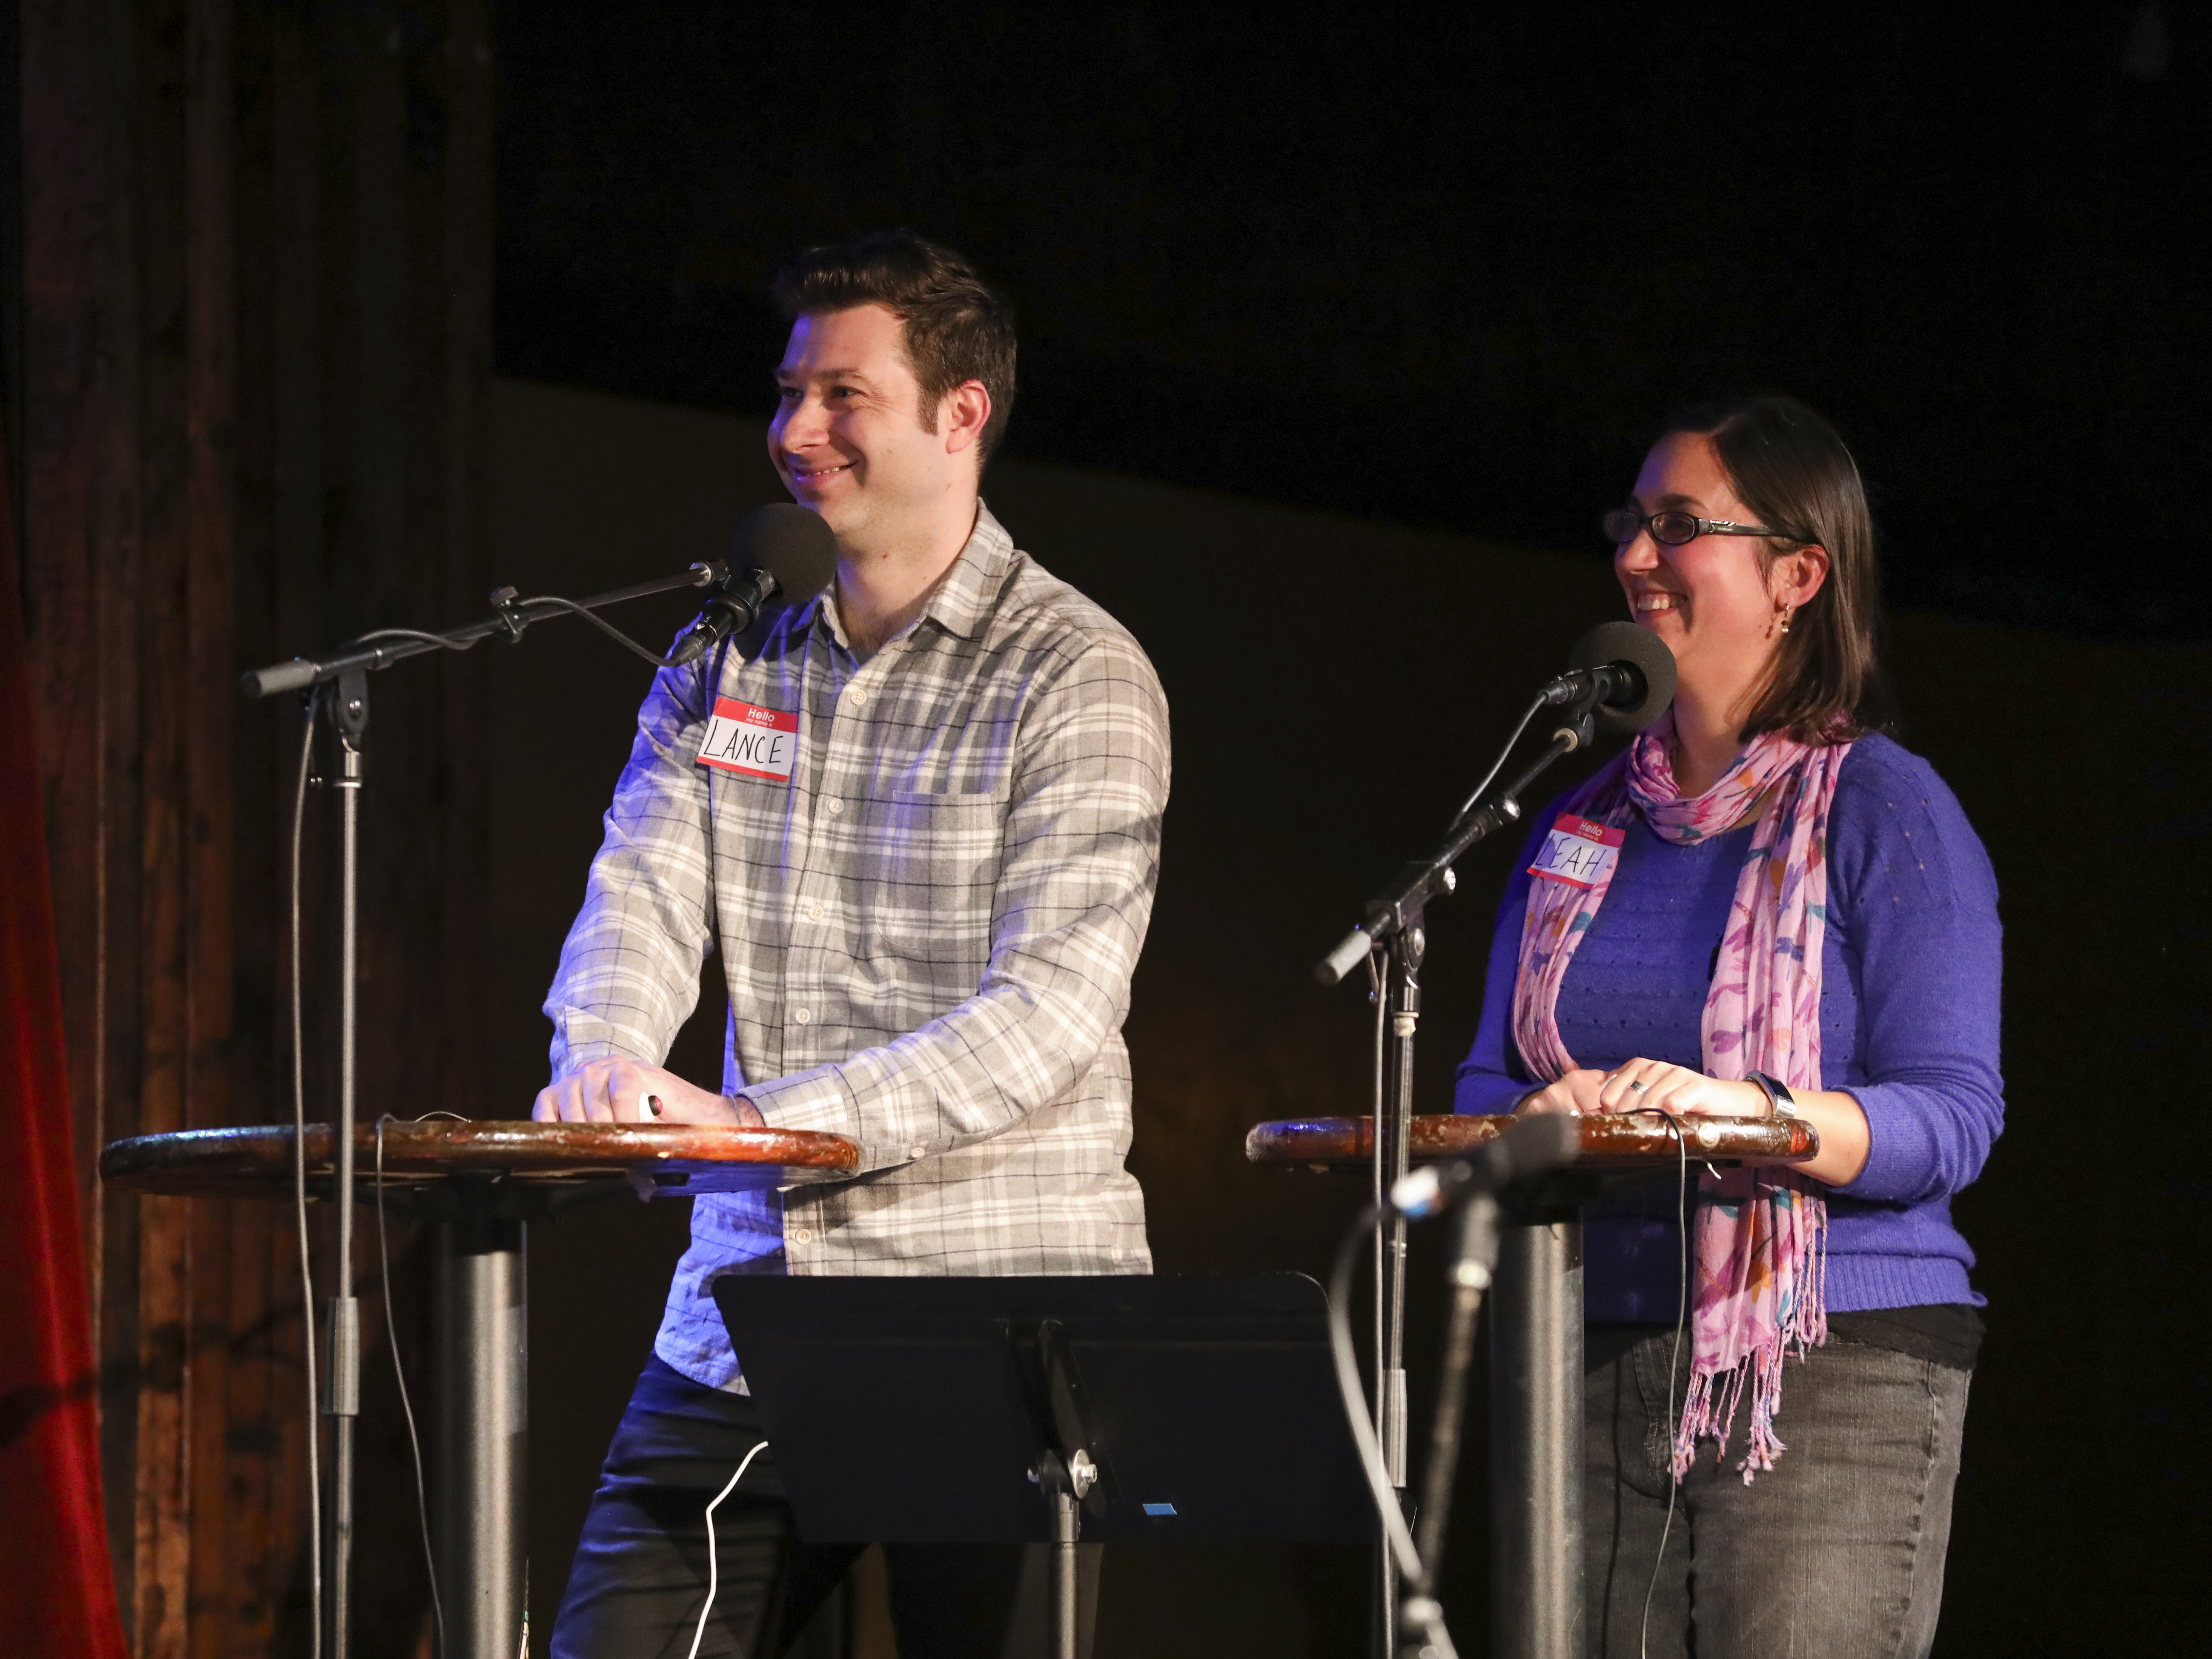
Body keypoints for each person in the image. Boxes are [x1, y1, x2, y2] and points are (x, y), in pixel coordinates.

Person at [536, 231, 1169, 1659]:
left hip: (1000, 1315)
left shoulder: (1077, 669)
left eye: (844, 396)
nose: (797, 430)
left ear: (962, 413)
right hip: (750, 1307)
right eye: (788, 392)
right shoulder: (728, 649)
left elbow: (1048, 1014)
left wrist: (759, 1126)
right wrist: (605, 1057)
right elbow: (638, 889)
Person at [1452, 395, 2003, 1658]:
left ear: (1798, 575)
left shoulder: (1886, 809)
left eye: (1679, 524)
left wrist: (1750, 1114)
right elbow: (1489, 1079)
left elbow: (1954, 1116)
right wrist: (1540, 1114)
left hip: (1832, 1359)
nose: (1636, 555)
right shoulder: (1578, 823)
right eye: (1632, 523)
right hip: (1591, 1346)